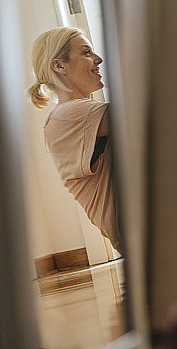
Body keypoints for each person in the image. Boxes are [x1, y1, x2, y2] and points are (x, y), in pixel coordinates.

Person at [28, 27, 121, 251]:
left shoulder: (74, 113)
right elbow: (140, 115)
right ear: (59, 66)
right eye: (86, 52)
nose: (98, 59)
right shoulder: (68, 114)